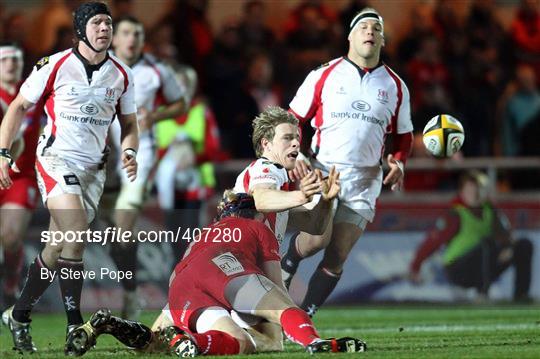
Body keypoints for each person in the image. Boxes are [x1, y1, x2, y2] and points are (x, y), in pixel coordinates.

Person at [65, 191, 367, 357]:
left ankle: (115, 326)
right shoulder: (257, 227)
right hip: (223, 270)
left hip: (181, 284)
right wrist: (290, 322)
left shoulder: (204, 233)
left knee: (166, 343)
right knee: (282, 310)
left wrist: (162, 328)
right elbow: (277, 287)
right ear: (257, 214)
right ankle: (314, 343)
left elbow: (179, 282)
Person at [0, 2, 139, 354]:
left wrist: (130, 151)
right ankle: (76, 324)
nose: (104, 29)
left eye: (108, 23)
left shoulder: (122, 73)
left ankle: (18, 315)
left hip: (94, 170)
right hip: (55, 159)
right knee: (77, 232)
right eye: (96, 23)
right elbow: (18, 106)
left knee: (57, 247)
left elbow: (130, 123)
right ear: (80, 29)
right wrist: (2, 152)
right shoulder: (55, 65)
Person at [280, 7, 414, 317]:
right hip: (324, 171)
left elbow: (403, 137)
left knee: (337, 253)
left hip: (365, 180)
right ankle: (288, 262)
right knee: (316, 241)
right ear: (350, 36)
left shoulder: (395, 86)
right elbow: (292, 119)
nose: (370, 32)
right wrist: (295, 155)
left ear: (382, 39)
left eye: (376, 28)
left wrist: (399, 163)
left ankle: (303, 317)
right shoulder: (324, 74)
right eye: (364, 26)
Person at [108, 14, 186, 320]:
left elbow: (181, 103)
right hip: (98, 159)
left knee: (122, 228)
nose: (132, 39)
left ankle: (130, 294)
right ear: (114, 38)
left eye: (137, 33)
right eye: (126, 33)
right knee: (104, 235)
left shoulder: (157, 69)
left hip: (140, 157)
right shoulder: (100, 67)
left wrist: (155, 116)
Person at [409, 171, 533, 302]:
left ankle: (521, 295)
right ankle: (482, 294)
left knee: (524, 244)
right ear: (462, 193)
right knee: (487, 244)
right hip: (458, 267)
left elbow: (506, 234)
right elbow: (433, 241)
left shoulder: (490, 210)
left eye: (478, 189)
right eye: (470, 190)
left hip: (486, 264)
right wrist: (416, 265)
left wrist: (507, 248)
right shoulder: (455, 213)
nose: (474, 194)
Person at [233, 106, 340, 245]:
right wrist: (302, 195)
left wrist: (326, 200)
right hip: (231, 258)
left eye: (296, 138)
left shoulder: (280, 192)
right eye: (287, 138)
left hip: (241, 259)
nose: (296, 143)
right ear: (266, 144)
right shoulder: (267, 166)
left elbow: (314, 226)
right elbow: (261, 200)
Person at [0, 42, 43, 308]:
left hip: (20, 175)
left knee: (11, 236)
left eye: (16, 59)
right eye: (4, 60)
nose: (11, 64)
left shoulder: (33, 93)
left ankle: (11, 284)